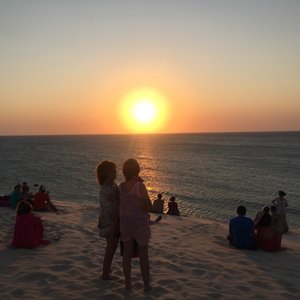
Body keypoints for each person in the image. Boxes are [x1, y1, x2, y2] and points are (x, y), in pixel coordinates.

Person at [119, 158, 153, 292]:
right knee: (143, 256)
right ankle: (146, 286)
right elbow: (149, 206)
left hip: (125, 224)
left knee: (127, 255)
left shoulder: (120, 186)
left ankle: (127, 284)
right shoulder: (140, 186)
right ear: (137, 171)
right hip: (140, 224)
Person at [96, 160, 119, 280]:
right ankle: (105, 273)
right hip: (109, 220)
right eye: (113, 171)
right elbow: (119, 197)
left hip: (112, 218)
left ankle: (107, 268)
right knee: (111, 246)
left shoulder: (113, 185)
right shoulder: (106, 188)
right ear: (106, 173)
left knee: (112, 246)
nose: (116, 173)